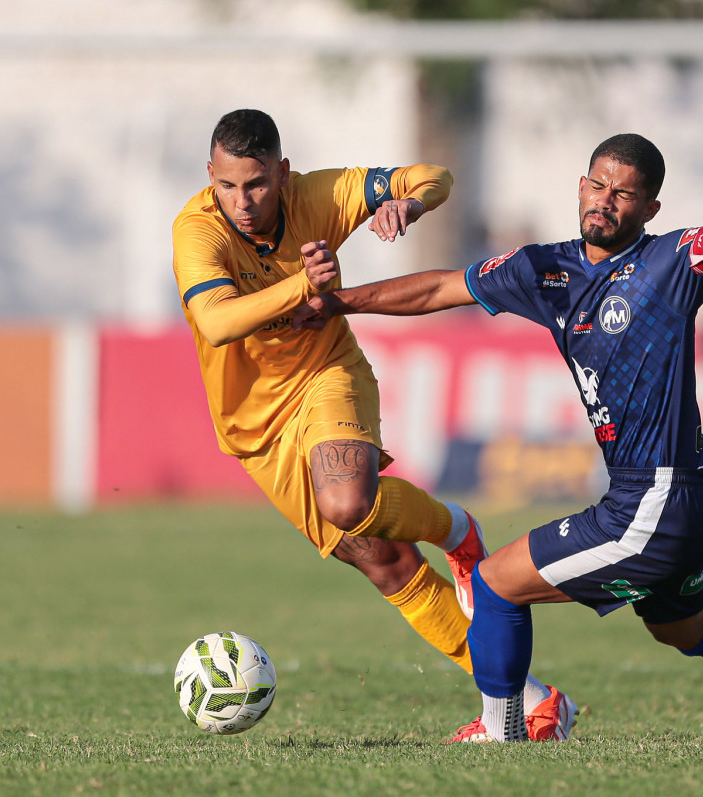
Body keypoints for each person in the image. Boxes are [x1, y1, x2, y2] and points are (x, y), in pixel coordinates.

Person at [294, 110, 703, 742]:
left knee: (495, 586)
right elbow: (440, 289)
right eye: (598, 186)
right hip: (679, 497)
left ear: (649, 208)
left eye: (624, 193)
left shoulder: (674, 262)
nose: (605, 202)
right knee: (683, 627)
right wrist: (340, 300)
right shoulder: (546, 271)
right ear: (581, 186)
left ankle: (505, 733)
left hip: (659, 499)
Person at [171, 109, 575, 740]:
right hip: (254, 427)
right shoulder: (197, 231)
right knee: (383, 560)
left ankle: (459, 532)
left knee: (346, 501)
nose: (242, 202)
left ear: (281, 173)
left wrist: (409, 205)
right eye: (227, 186)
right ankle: (531, 701)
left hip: (327, 374)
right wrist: (304, 285)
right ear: (210, 177)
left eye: (255, 184)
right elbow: (218, 323)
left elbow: (433, 175)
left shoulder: (319, 194)